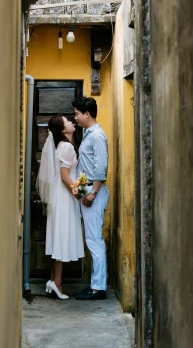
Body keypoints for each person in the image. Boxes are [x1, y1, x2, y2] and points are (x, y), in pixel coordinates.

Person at [37, 114, 84, 300]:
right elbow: (65, 176)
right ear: (63, 130)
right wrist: (78, 193)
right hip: (65, 197)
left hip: (60, 196)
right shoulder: (66, 146)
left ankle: (53, 280)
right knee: (62, 237)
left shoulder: (60, 145)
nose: (72, 122)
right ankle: (57, 283)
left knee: (58, 237)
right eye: (68, 121)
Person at [72, 96, 109, 301]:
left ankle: (98, 288)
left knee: (95, 240)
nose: (75, 117)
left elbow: (100, 168)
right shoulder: (89, 134)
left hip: (94, 194)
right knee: (92, 239)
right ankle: (96, 284)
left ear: (87, 114)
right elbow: (85, 166)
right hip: (88, 193)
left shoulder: (97, 136)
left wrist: (92, 193)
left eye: (77, 114)